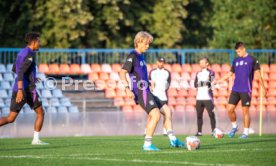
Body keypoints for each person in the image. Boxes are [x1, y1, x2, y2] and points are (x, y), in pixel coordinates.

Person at [119, 31, 184, 151]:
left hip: (146, 89)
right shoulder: (133, 55)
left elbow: (138, 75)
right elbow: (122, 72)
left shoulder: (141, 56)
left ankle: (173, 140)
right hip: (140, 92)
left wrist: (148, 82)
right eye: (146, 43)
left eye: (149, 44)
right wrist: (127, 89)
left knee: (167, 111)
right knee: (155, 115)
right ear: (138, 42)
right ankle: (147, 144)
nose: (148, 46)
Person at [0, 32, 48, 145]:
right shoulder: (30, 54)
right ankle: (36, 140)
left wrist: (31, 78)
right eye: (39, 41)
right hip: (26, 90)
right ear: (34, 42)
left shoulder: (21, 52)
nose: (40, 44)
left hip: (20, 87)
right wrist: (21, 90)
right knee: (41, 113)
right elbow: (20, 72)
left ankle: (36, 140)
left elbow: (15, 69)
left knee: (11, 118)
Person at [213, 42, 267, 139]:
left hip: (246, 90)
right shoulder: (236, 60)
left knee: (245, 111)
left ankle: (245, 133)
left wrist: (263, 87)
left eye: (239, 51)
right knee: (229, 109)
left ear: (243, 49)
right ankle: (234, 127)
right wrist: (218, 81)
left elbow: (258, 74)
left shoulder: (253, 60)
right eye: (236, 52)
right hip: (235, 89)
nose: (238, 53)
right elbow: (230, 74)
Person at [148, 57, 183, 141]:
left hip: (163, 96)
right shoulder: (152, 72)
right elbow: (149, 81)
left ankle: (165, 131)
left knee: (166, 114)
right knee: (152, 114)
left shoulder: (167, 72)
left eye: (162, 62)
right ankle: (147, 131)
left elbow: (168, 83)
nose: (161, 63)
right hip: (153, 96)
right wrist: (151, 87)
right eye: (160, 62)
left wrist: (163, 90)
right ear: (157, 62)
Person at [194, 57, 216, 136]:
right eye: (200, 63)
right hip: (199, 98)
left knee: (211, 115)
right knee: (199, 115)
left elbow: (211, 82)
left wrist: (204, 83)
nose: (201, 64)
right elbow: (195, 85)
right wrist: (205, 82)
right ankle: (199, 132)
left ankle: (213, 131)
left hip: (208, 97)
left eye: (202, 62)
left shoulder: (211, 72)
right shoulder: (198, 73)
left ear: (207, 64)